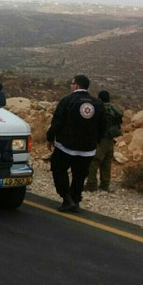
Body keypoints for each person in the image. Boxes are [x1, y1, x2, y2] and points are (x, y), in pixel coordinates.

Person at [46, 75, 104, 213]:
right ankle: (76, 201)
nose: (71, 86)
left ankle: (67, 199)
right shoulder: (97, 103)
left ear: (76, 85)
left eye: (72, 84)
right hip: (88, 149)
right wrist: (97, 141)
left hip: (65, 146)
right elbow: (102, 126)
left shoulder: (67, 100)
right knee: (80, 175)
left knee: (59, 170)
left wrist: (50, 137)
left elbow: (57, 121)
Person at [86, 90, 123, 192]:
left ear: (100, 98)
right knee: (106, 163)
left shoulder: (100, 109)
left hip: (101, 139)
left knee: (94, 161)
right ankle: (105, 185)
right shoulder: (114, 109)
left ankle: (91, 184)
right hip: (110, 139)